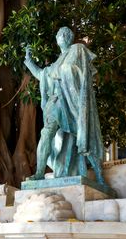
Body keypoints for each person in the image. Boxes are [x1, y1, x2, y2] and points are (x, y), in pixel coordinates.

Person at [24, 26, 104, 184]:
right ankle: (40, 172)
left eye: (61, 34)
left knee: (84, 136)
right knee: (46, 133)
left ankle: (100, 177)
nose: (58, 36)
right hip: (56, 103)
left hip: (72, 101)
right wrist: (29, 61)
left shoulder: (77, 49)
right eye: (58, 34)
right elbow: (43, 75)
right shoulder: (56, 63)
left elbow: (79, 72)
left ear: (67, 37)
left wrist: (65, 71)